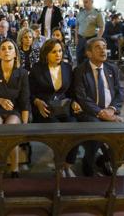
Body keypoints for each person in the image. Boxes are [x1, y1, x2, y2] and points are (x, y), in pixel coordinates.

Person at [74, 37, 124, 177]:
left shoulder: (112, 68)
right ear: (88, 53)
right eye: (98, 47)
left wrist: (112, 109)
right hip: (89, 113)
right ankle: (88, 162)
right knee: (98, 130)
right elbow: (82, 97)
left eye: (104, 46)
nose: (103, 50)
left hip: (110, 111)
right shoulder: (80, 70)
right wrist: (101, 113)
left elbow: (120, 92)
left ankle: (104, 159)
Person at [29, 38, 78, 176]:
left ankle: (67, 164)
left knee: (75, 127)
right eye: (54, 52)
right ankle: (59, 164)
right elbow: (29, 93)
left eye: (60, 51)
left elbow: (72, 92)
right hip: (45, 110)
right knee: (58, 130)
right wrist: (37, 102)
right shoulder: (37, 69)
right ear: (46, 54)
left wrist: (74, 101)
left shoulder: (67, 68)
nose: (58, 54)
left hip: (64, 108)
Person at [0, 39, 30, 179]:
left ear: (15, 53)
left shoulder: (22, 73)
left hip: (14, 110)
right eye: (3, 48)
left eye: (10, 48)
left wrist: (25, 123)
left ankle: (14, 170)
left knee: (11, 131)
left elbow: (24, 98)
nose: (7, 51)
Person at [75, 0, 105, 64]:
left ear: (92, 2)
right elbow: (77, 26)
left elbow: (102, 27)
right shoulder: (80, 13)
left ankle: (88, 73)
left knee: (89, 58)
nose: (84, 4)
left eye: (86, 2)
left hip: (91, 39)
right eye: (84, 2)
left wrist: (98, 39)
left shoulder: (97, 14)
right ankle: (79, 72)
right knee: (79, 57)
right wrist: (76, 38)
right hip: (80, 38)